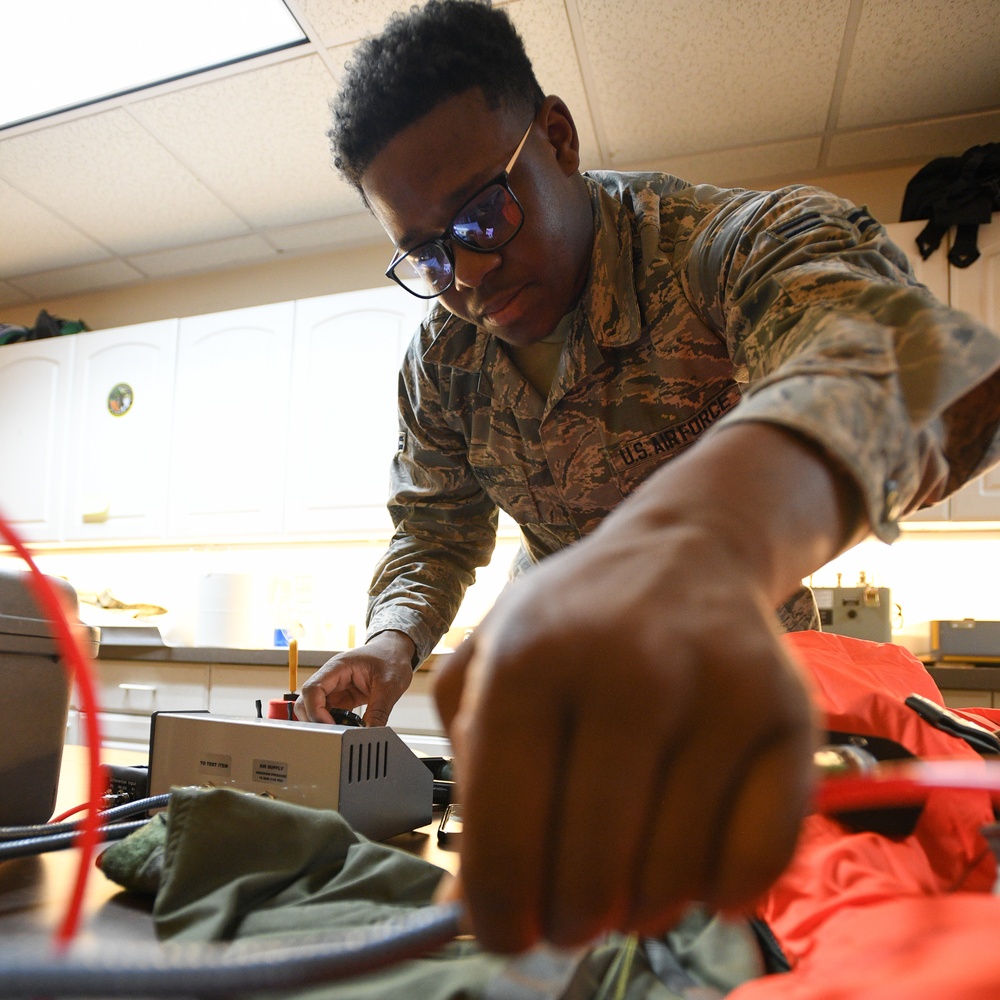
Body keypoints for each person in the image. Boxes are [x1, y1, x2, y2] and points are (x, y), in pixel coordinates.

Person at [295, 0, 1000, 955]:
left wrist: (698, 545)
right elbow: (434, 529)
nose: (464, 273)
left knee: (764, 944)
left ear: (555, 137)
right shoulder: (442, 360)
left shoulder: (717, 245)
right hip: (561, 724)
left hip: (750, 708)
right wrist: (391, 640)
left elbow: (907, 359)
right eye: (426, 251)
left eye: (481, 213)